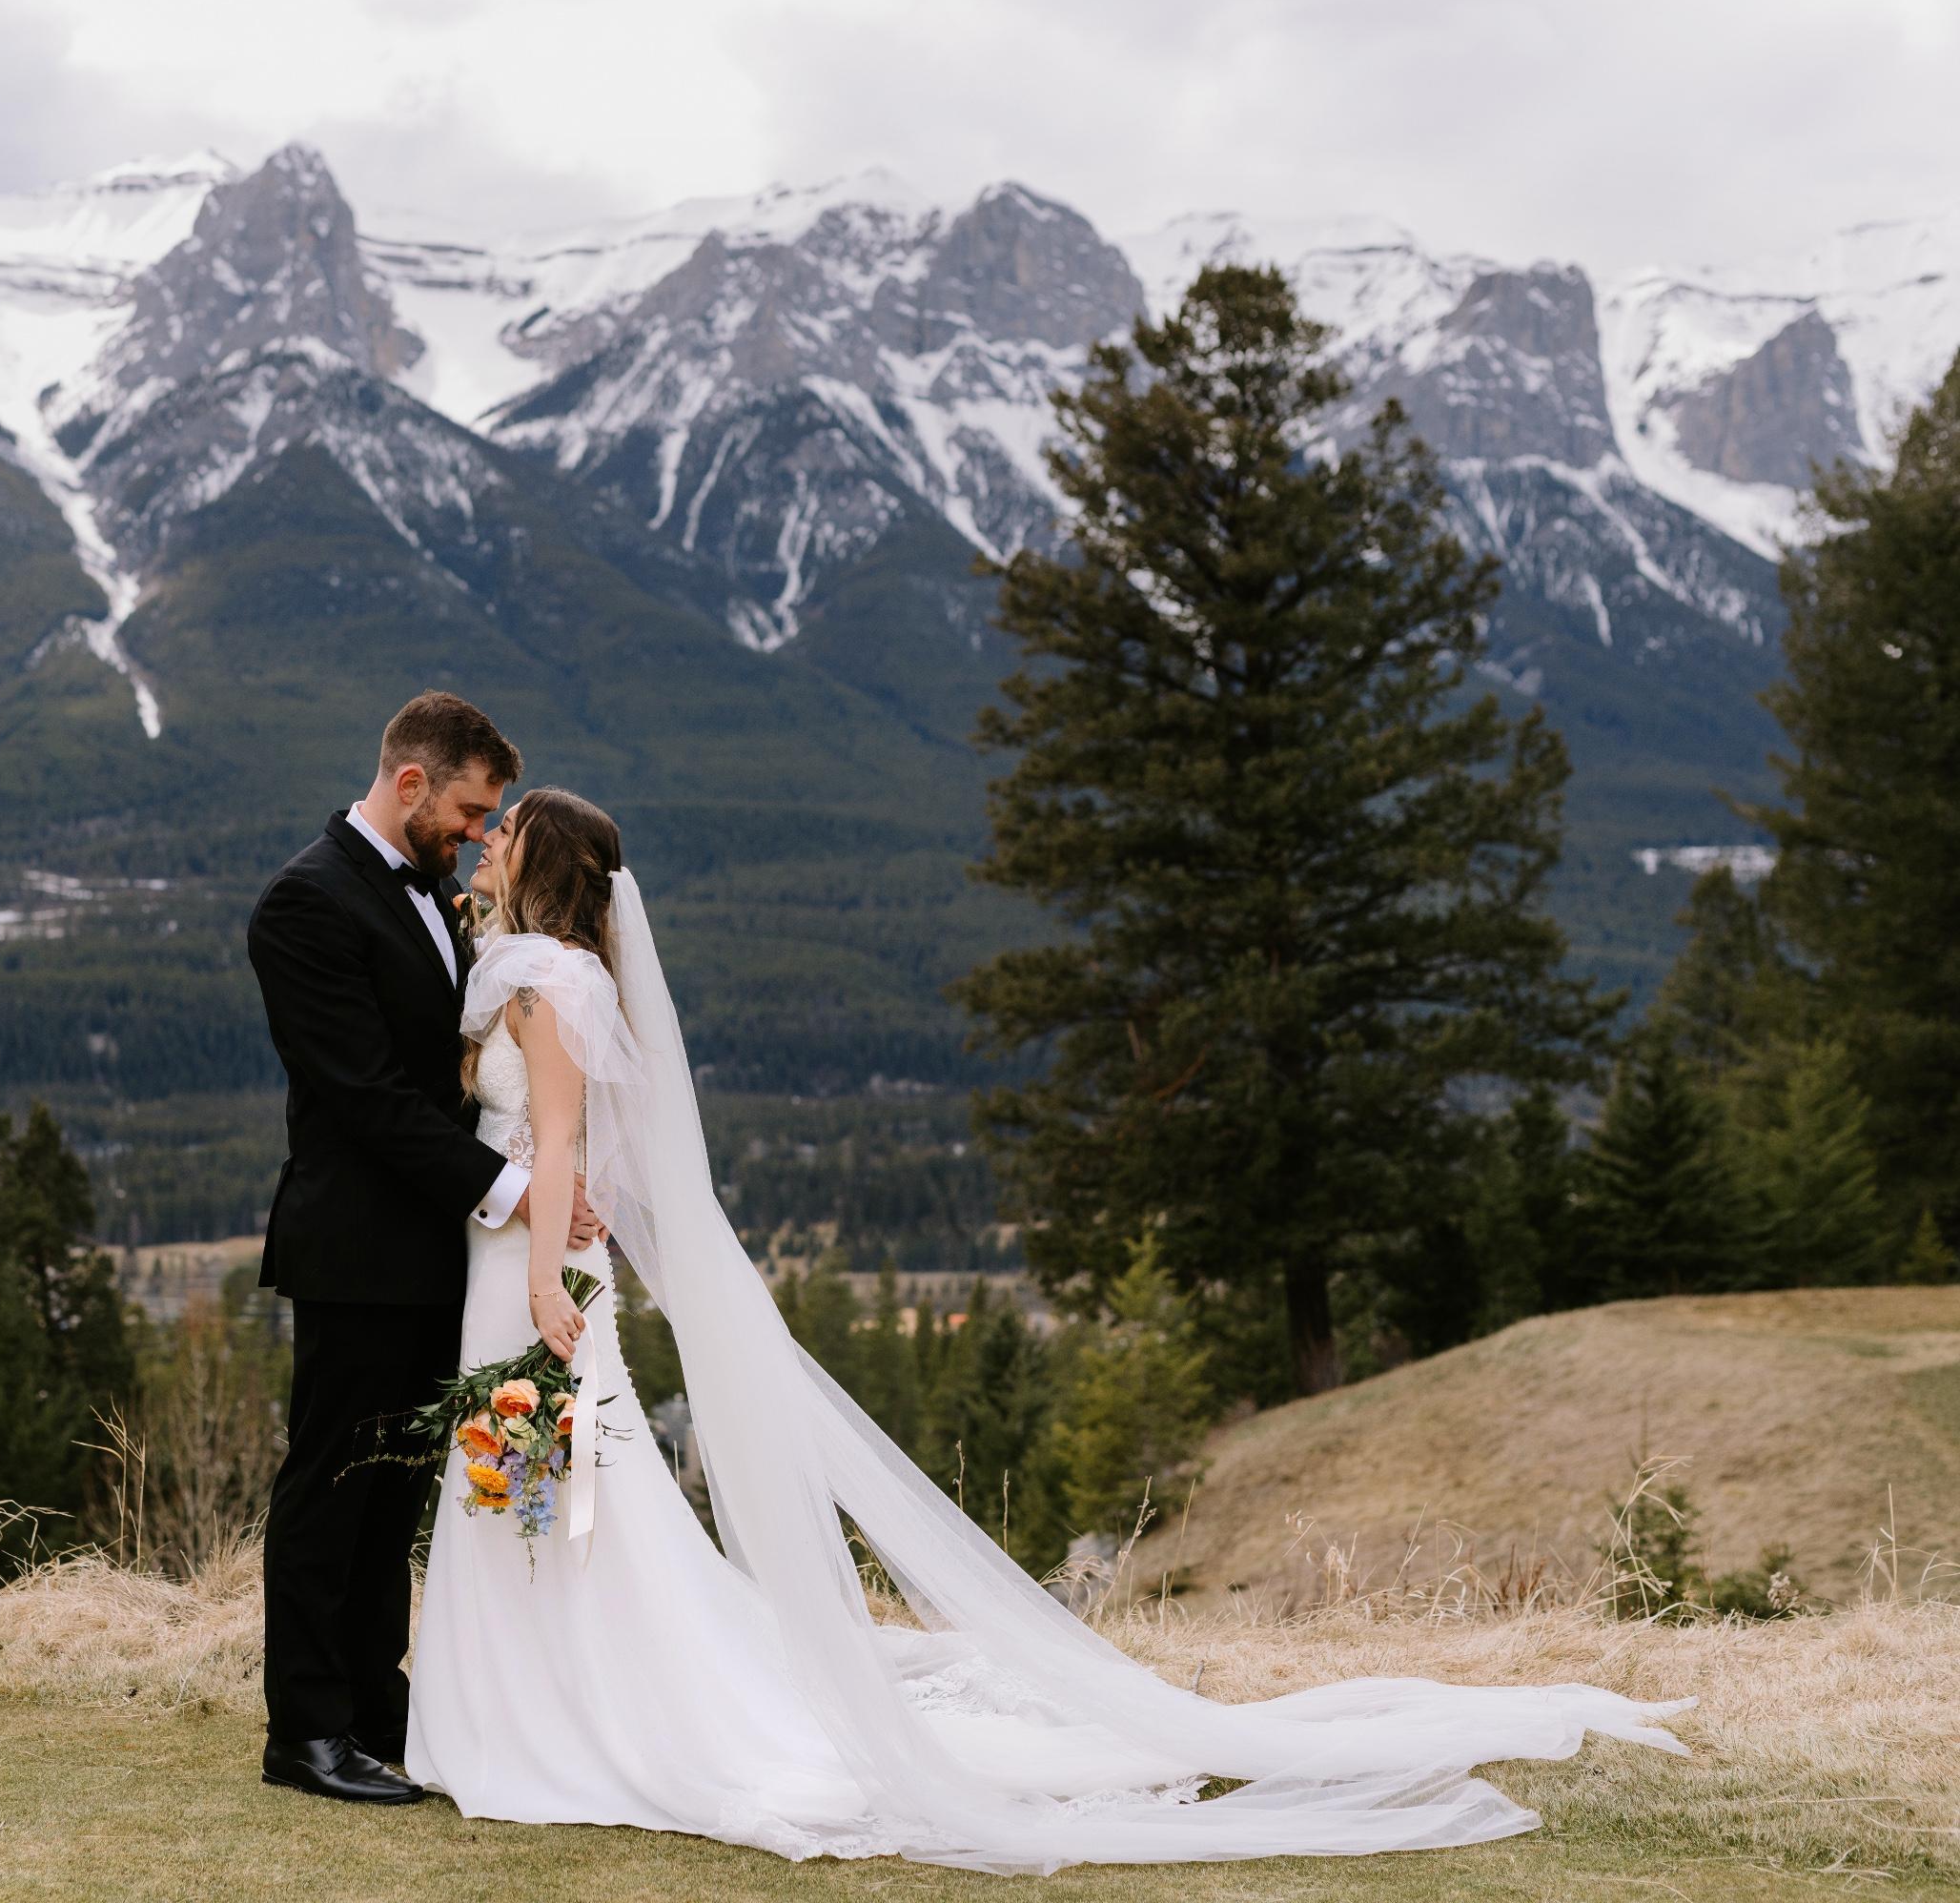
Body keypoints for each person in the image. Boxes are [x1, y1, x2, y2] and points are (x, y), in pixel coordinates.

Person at [400, 785, 1693, 1874]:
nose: (489, 840)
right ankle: (544, 1700)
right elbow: (586, 1153)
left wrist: (547, 1286)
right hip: (521, 1257)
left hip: (526, 1275)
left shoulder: (537, 983)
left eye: (506, 830)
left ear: (543, 868)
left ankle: (551, 1717)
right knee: (562, 1488)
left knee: (558, 1485)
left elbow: (562, 1139)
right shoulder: (557, 975)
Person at [243, 692, 601, 1805]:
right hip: (352, 1247)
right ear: (410, 784)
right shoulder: (303, 903)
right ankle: (304, 1731)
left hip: (439, 1249)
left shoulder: (440, 900)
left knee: (396, 1491)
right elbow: (365, 1098)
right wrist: (516, 1185)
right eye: (467, 806)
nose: (477, 830)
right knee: (329, 1486)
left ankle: (371, 1700)